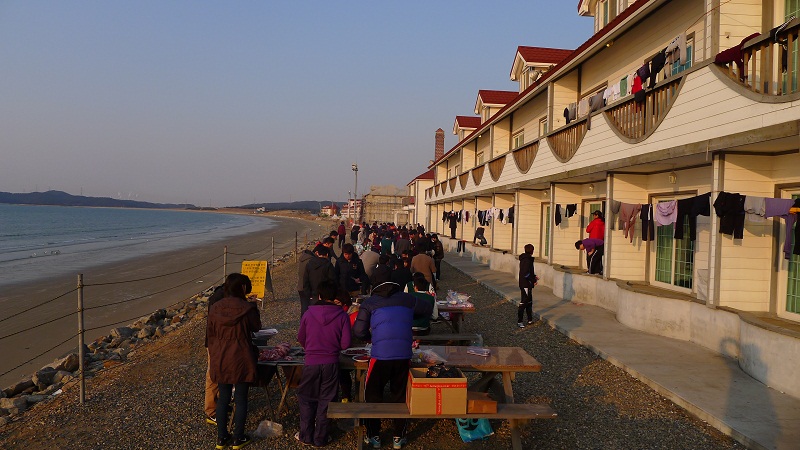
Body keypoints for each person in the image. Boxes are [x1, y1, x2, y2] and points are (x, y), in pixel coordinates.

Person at [353, 266, 434, 449]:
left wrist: (371, 337)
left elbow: (358, 331)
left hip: (380, 356)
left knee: (372, 394)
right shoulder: (407, 299)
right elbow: (427, 308)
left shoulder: (370, 302)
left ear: (375, 283)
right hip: (403, 355)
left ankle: (374, 435)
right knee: (400, 394)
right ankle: (398, 436)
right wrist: (408, 318)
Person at [207, 273, 261, 450]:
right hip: (241, 356)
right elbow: (256, 327)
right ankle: (238, 438)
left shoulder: (215, 307)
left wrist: (214, 354)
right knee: (241, 398)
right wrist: (253, 306)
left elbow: (210, 334)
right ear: (242, 288)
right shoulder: (247, 308)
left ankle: (221, 438)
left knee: (223, 398)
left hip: (221, 356)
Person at [295, 280, 351, 447]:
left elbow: (301, 338)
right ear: (334, 297)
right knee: (326, 400)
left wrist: (311, 348)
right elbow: (345, 344)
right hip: (331, 363)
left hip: (311, 362)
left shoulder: (308, 313)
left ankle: (306, 436)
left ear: (319, 295)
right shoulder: (342, 315)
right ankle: (321, 438)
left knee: (307, 398)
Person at [204, 284, 227, 425]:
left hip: (217, 342)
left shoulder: (220, 296)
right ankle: (211, 411)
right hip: (214, 343)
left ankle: (219, 404)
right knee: (212, 376)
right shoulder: (219, 299)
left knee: (218, 373)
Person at [303, 244, 336, 316]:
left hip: (313, 295)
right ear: (327, 254)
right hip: (325, 296)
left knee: (314, 315)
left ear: (318, 253)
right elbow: (333, 281)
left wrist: (308, 295)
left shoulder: (309, 263)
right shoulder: (328, 265)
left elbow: (305, 281)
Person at [517, 244, 539, 328]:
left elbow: (529, 272)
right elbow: (526, 273)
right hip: (525, 284)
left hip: (527, 283)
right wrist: (533, 280)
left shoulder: (527, 259)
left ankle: (530, 320)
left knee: (529, 302)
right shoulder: (527, 260)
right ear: (532, 250)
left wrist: (534, 277)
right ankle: (520, 321)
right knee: (524, 302)